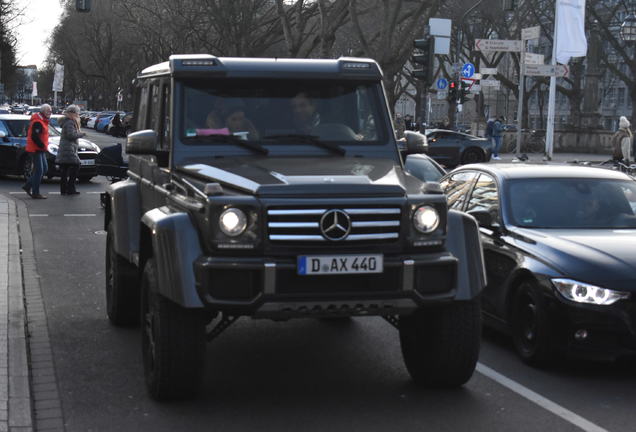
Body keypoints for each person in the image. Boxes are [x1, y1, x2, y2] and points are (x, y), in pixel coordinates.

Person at [22, 104, 52, 199]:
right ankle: (35, 192)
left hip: (40, 149)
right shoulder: (38, 122)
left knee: (44, 169)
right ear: (43, 112)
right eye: (48, 111)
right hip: (35, 149)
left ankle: (28, 185)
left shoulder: (43, 121)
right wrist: (42, 145)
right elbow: (34, 136)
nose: (50, 113)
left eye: (50, 111)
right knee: (39, 171)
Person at [56, 105, 86, 195]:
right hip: (69, 148)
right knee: (76, 165)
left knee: (65, 169)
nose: (78, 115)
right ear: (72, 113)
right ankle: (70, 188)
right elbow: (70, 135)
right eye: (77, 113)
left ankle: (64, 189)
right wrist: (81, 134)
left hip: (65, 148)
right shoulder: (70, 122)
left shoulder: (67, 121)